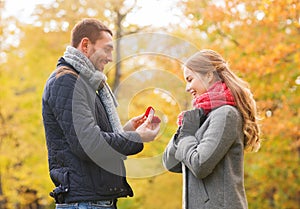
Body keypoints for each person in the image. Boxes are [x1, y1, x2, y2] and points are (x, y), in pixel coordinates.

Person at [42, 18, 160, 209]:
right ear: (86, 45)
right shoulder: (66, 82)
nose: (110, 58)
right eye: (106, 49)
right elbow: (89, 145)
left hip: (94, 202)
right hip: (85, 204)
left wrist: (127, 130)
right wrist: (137, 138)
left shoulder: (83, 83)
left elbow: (91, 136)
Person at [163, 49, 260, 209]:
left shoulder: (226, 114)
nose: (187, 88)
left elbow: (200, 165)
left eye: (190, 79)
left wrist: (187, 135)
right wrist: (183, 130)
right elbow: (171, 163)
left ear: (208, 75)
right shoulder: (201, 117)